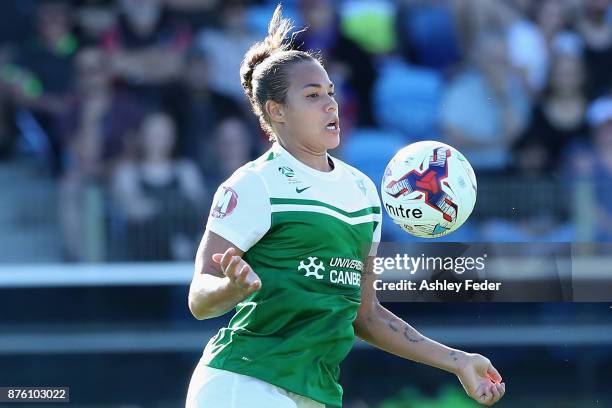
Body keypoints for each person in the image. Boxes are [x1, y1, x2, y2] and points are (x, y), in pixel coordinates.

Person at [186, 5, 506, 408]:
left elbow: (366, 315)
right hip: (244, 382)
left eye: (331, 93)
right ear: (276, 111)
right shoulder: (254, 184)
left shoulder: (362, 191)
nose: (330, 105)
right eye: (313, 96)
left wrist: (459, 362)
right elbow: (199, 299)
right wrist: (229, 288)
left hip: (317, 392)